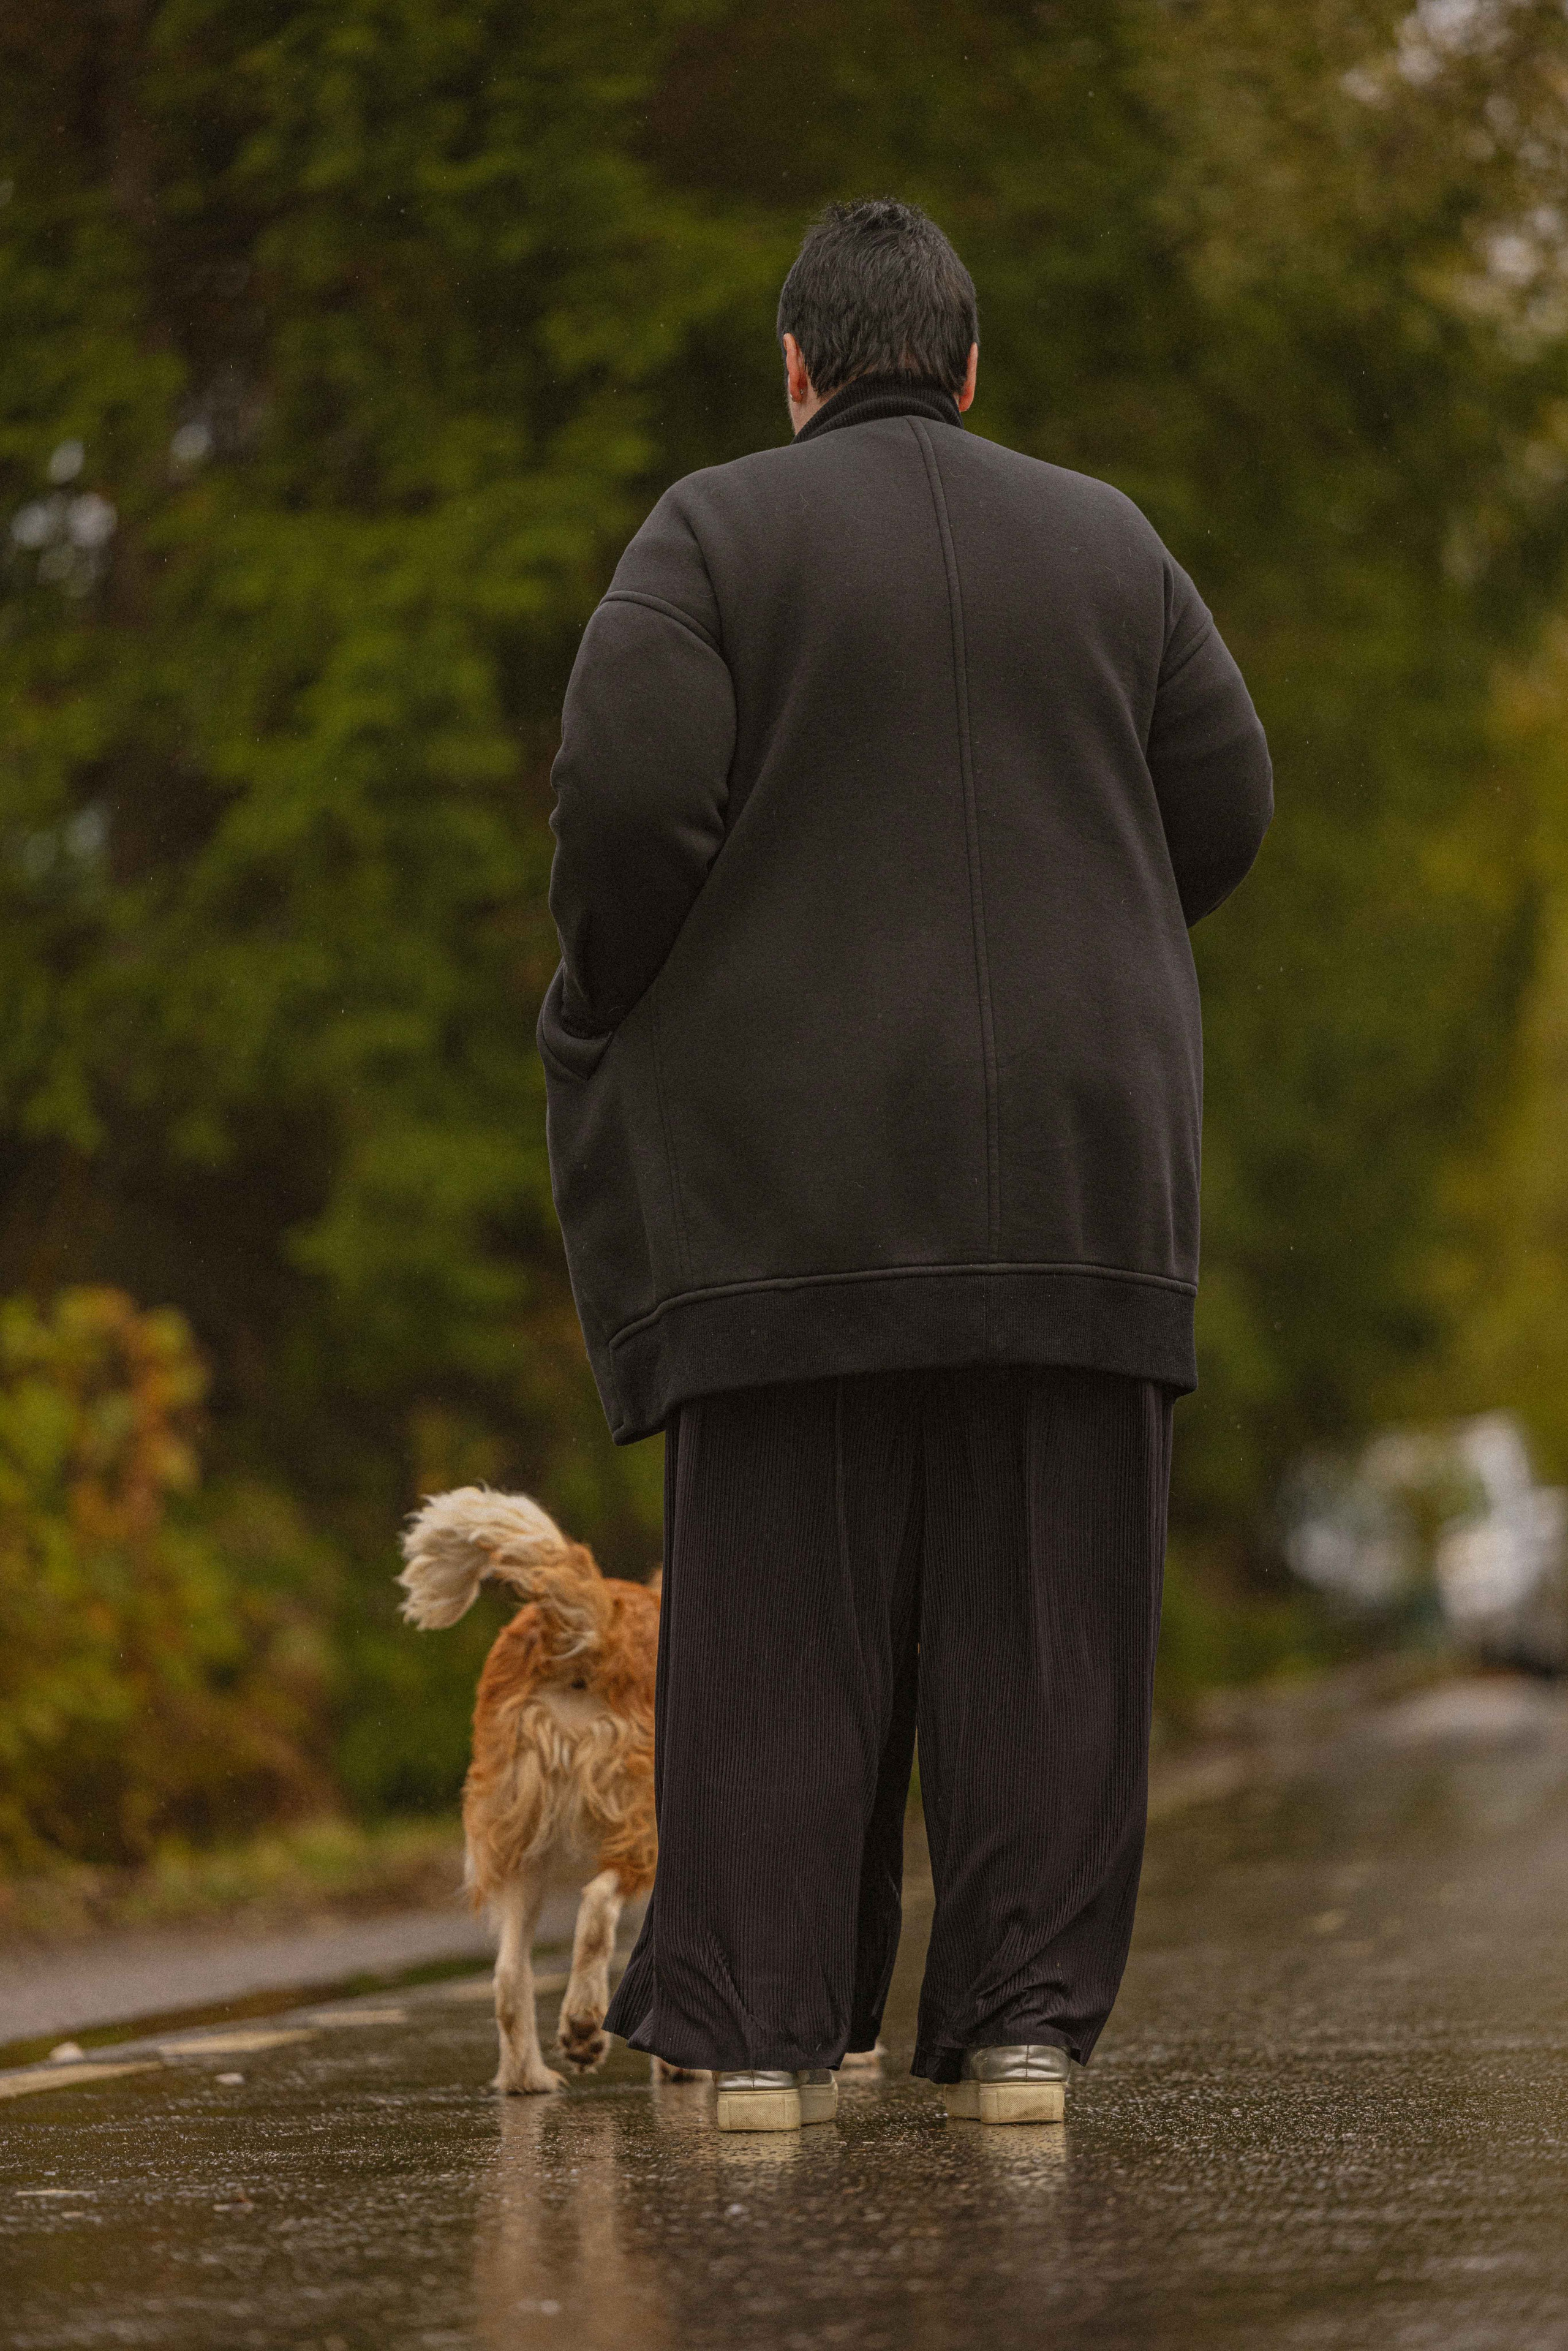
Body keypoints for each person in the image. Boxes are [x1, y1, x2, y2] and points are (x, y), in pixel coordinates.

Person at [538, 198, 1272, 2132]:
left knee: (780, 1617)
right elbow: (1228, 796)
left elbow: (625, 797)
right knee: (1054, 1629)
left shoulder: (707, 532)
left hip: (791, 1192)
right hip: (1079, 1184)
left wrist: (630, 985)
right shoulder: (1114, 542)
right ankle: (1023, 2035)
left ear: (795, 372)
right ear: (967, 369)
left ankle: (768, 2045)